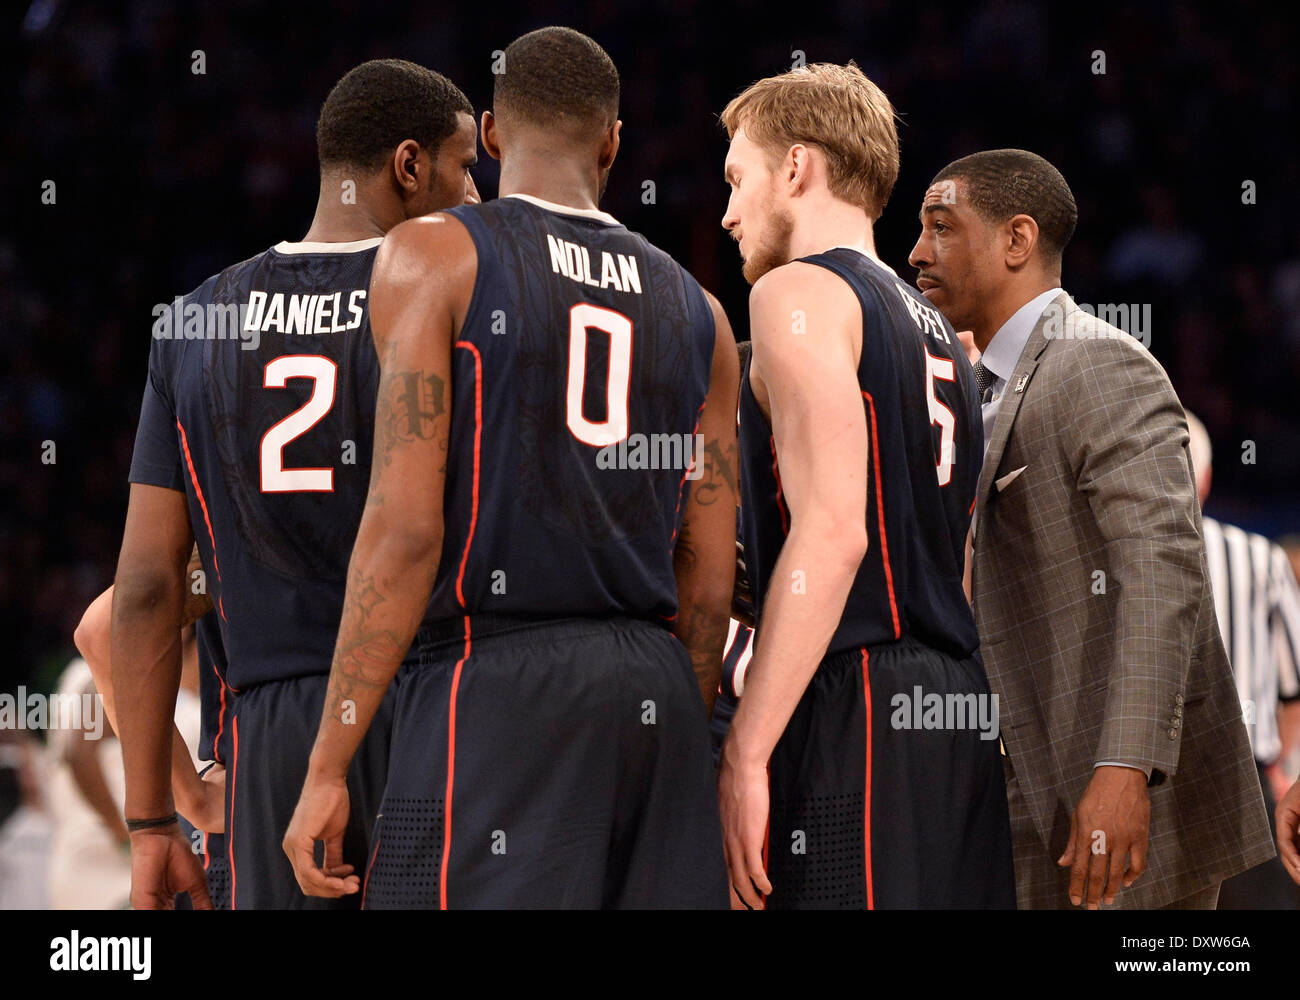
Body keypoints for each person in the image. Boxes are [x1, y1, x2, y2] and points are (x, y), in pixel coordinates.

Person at [284, 26, 738, 909]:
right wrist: (675, 732)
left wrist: (331, 759)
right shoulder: (703, 312)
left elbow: (406, 531)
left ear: (489, 135)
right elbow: (709, 575)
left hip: (497, 682)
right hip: (655, 690)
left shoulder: (433, 255)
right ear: (613, 142)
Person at [111, 58, 480, 910]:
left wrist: (150, 823)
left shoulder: (193, 321)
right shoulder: (445, 299)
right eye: (466, 167)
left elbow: (140, 591)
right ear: (409, 166)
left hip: (265, 734)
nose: (478, 195)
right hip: (432, 703)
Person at [908, 147, 1274, 908]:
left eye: (942, 228)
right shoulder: (971, 389)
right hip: (1017, 785)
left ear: (1016, 240)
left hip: (1107, 796)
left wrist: (1124, 769)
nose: (917, 252)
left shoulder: (1100, 365)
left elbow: (1162, 571)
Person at [717, 62, 1013, 909]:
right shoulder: (947, 339)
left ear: (797, 169)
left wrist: (746, 745)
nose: (730, 212)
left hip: (863, 700)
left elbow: (836, 530)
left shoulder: (797, 292)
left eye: (739, 179)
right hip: (956, 704)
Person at [1181, 412, 1300, 908]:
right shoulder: (1260, 556)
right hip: (1244, 777)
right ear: (1206, 479)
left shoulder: (1106, 559)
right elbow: (1294, 687)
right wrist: (1279, 765)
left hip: (1137, 774)